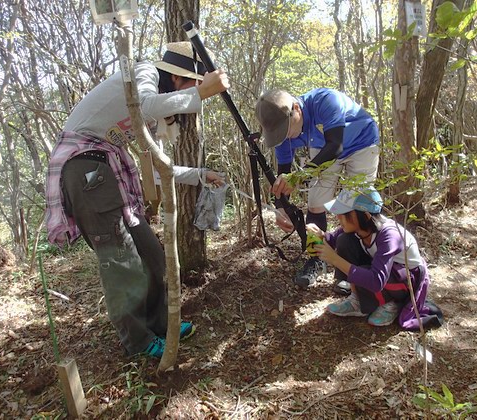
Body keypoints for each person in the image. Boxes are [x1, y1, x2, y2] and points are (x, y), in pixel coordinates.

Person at [45, 42, 229, 358]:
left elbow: (157, 171)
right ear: (176, 78)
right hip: (86, 169)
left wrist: (200, 174)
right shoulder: (142, 74)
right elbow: (145, 104)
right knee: (122, 263)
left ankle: (161, 326)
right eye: (192, 84)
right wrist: (200, 94)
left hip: (109, 172)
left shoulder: (145, 117)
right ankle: (139, 341)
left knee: (153, 255)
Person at [255, 88, 380, 291]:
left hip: (361, 142)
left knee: (357, 204)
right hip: (323, 146)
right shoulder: (283, 136)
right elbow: (283, 174)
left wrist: (300, 176)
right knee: (315, 204)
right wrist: (281, 207)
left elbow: (336, 146)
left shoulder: (325, 101)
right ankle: (316, 260)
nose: (286, 136)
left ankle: (360, 266)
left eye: (286, 128)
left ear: (296, 109)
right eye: (279, 133)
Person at [308, 187, 443, 329]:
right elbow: (333, 239)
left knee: (367, 271)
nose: (338, 217)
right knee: (344, 240)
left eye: (344, 213)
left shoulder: (389, 235)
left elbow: (376, 281)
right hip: (385, 274)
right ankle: (357, 300)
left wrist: (334, 259)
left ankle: (394, 303)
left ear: (365, 216)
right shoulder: (359, 228)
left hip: (405, 281)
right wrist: (321, 235)